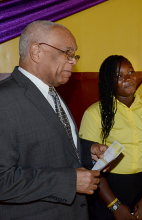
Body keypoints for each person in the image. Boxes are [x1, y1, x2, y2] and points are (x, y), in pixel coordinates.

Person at [0, 20, 108, 220]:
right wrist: (69, 182)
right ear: (37, 52)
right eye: (67, 52)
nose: (73, 60)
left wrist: (87, 150)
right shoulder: (4, 100)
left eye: (74, 54)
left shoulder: (52, 93)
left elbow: (53, 145)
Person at [79, 55, 142, 220]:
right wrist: (114, 205)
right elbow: (90, 166)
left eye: (130, 72)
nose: (128, 78)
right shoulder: (95, 114)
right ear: (108, 81)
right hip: (107, 190)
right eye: (119, 76)